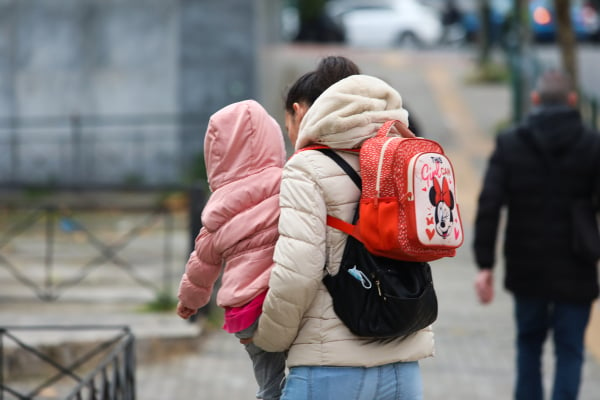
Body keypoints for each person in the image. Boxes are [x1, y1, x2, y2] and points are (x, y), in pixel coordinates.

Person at [248, 74, 433, 400]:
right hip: (404, 365)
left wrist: (269, 338)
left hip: (329, 368)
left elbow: (298, 273)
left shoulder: (306, 167)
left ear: (301, 113)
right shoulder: (402, 159)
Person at [473, 69, 600, 400]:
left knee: (528, 346)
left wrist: (484, 264)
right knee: (570, 350)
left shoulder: (510, 142)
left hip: (526, 265)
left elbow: (489, 204)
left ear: (534, 100)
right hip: (577, 263)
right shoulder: (592, 144)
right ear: (573, 101)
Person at [176, 99, 287, 400]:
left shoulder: (218, 209)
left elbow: (201, 265)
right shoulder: (288, 185)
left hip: (244, 313)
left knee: (269, 380)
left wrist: (191, 300)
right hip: (282, 301)